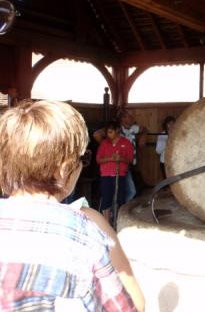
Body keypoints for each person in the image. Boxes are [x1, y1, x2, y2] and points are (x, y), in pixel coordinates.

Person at [0, 100, 144, 311]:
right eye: (82, 159)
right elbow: (133, 305)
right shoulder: (86, 228)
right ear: (65, 169)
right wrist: (101, 226)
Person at [96, 121, 134, 223]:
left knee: (120, 199)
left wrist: (121, 158)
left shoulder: (126, 143)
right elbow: (98, 160)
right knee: (106, 199)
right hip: (106, 175)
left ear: (117, 130)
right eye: (107, 132)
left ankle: (118, 222)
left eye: (110, 132)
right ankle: (107, 223)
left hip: (120, 175)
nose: (108, 135)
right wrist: (111, 158)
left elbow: (130, 160)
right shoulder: (104, 143)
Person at [118, 110, 148, 201]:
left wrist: (143, 137)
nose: (132, 118)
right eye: (129, 117)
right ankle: (119, 209)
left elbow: (145, 129)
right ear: (123, 119)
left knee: (130, 191)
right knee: (128, 191)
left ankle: (122, 208)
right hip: (118, 165)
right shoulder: (117, 130)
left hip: (128, 165)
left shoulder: (133, 128)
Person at [156, 115, 176, 179]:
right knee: (167, 181)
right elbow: (158, 151)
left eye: (173, 123)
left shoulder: (178, 134)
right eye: (169, 123)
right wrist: (168, 140)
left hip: (175, 161)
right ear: (165, 125)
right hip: (164, 161)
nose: (171, 125)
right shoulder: (162, 135)